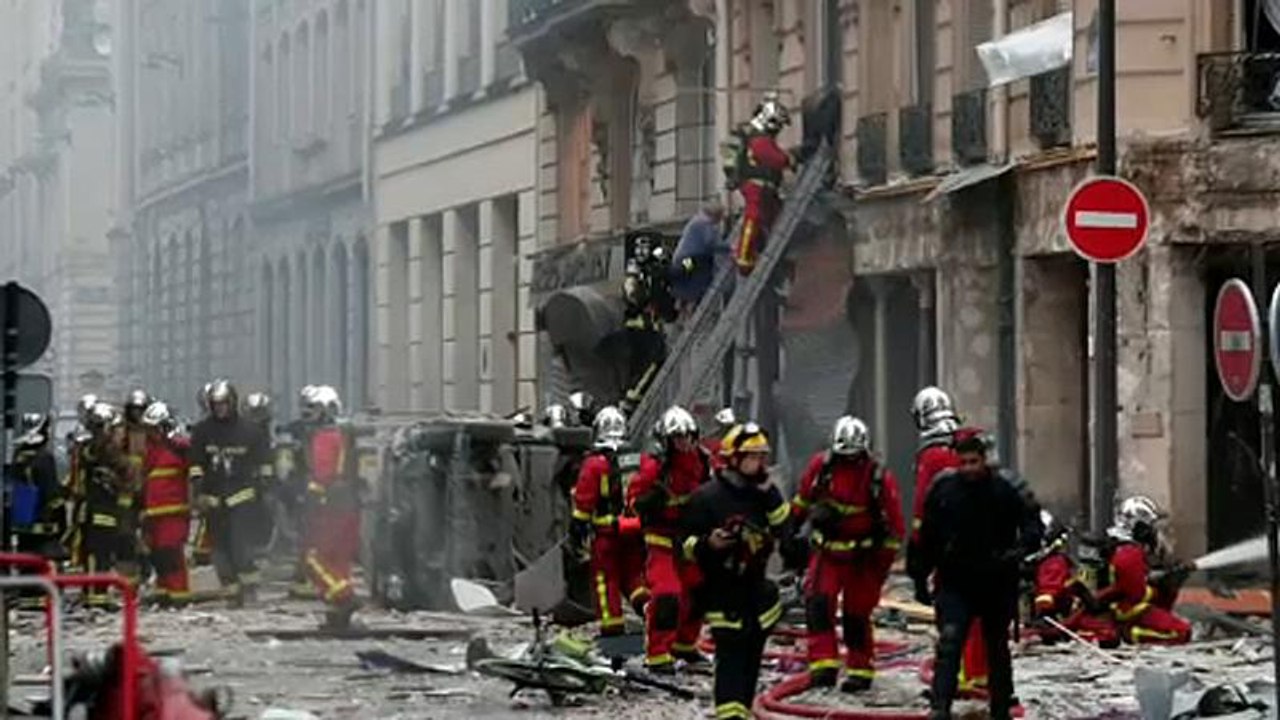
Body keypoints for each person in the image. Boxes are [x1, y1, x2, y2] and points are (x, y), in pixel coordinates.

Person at [909, 427, 1042, 720]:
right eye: (963, 462)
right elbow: (925, 536)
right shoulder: (943, 490)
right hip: (956, 581)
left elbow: (1033, 526)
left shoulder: (1007, 489)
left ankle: (1001, 705)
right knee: (950, 641)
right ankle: (940, 706)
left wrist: (1018, 553)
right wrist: (919, 574)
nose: (969, 468)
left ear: (984, 461)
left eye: (974, 462)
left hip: (996, 581)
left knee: (996, 647)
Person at [681, 422, 791, 720]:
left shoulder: (764, 493)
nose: (759, 463)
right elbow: (684, 545)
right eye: (752, 457)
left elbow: (786, 532)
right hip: (720, 589)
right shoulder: (706, 498)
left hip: (755, 588)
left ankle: (740, 711)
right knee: (731, 654)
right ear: (733, 458)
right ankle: (729, 713)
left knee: (752, 653)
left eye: (761, 457)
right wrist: (709, 544)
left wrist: (771, 499)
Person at [792, 416, 904, 692]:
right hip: (828, 552)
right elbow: (801, 501)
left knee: (856, 614)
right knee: (818, 605)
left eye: (854, 456)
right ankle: (823, 665)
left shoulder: (877, 476)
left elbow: (895, 526)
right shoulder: (822, 468)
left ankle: (859, 668)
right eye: (844, 456)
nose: (848, 461)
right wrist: (791, 535)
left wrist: (881, 565)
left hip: (862, 557)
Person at [906, 386, 988, 693]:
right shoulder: (971, 444)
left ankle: (960, 680)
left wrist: (918, 557)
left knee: (953, 615)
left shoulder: (932, 455)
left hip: (951, 549)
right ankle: (979, 674)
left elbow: (923, 510)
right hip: (986, 543)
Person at [628, 405, 712, 673]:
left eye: (688, 436)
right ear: (667, 441)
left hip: (689, 539)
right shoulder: (655, 467)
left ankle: (685, 645)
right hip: (661, 540)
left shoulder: (703, 462)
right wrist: (646, 502)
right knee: (667, 594)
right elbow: (633, 499)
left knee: (699, 591)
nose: (684, 443)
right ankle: (658, 654)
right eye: (678, 438)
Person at [189, 380, 271, 608]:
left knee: (241, 546)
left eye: (224, 404)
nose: (220, 409)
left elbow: (265, 464)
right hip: (213, 499)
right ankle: (231, 591)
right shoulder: (203, 431)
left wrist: (263, 489)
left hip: (242, 498)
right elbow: (196, 464)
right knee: (219, 550)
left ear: (232, 403)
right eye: (216, 405)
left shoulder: (250, 431)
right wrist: (198, 491)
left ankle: (251, 589)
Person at [570, 406, 647, 637]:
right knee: (634, 577)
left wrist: (578, 526)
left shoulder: (595, 463)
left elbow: (585, 499)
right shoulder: (636, 458)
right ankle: (649, 610)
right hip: (634, 532)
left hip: (606, 534)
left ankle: (614, 640)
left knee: (606, 583)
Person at [299, 386, 363, 629]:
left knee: (313, 559)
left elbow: (322, 474)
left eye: (313, 410)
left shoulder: (325, 437)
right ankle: (340, 617)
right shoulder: (346, 435)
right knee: (339, 561)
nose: (309, 416)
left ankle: (344, 599)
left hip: (330, 507)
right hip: (350, 505)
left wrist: (310, 498)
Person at [1095, 496, 1193, 645]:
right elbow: (1135, 596)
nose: (1154, 533)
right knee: (1181, 632)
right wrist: (1162, 585)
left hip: (1123, 611)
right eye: (1151, 527)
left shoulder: (1124, 548)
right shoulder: (1129, 553)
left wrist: (1171, 583)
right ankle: (1133, 635)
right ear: (1140, 528)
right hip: (1126, 613)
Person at [1029, 510, 1118, 647]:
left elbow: (1050, 592)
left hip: (1063, 618)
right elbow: (1047, 594)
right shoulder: (1050, 563)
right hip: (1060, 619)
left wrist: (1044, 614)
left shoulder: (1053, 562)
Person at [76, 403, 133, 607]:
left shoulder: (86, 448)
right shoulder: (107, 450)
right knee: (99, 554)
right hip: (103, 509)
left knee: (93, 553)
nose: (120, 434)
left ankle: (93, 593)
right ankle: (96, 596)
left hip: (92, 509)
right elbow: (128, 476)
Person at [731, 93, 793, 276]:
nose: (780, 129)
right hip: (756, 187)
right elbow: (773, 157)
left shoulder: (760, 138)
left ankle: (768, 250)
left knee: (774, 217)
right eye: (779, 124)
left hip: (766, 189)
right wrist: (789, 159)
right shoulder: (759, 140)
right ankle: (743, 256)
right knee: (754, 216)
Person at [139, 402, 192, 607]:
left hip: (173, 512)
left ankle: (179, 597)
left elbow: (193, 474)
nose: (150, 433)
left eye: (154, 428)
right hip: (153, 513)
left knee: (171, 554)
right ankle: (163, 595)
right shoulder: (150, 450)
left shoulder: (179, 448)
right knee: (157, 555)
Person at [621, 235, 678, 414]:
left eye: (645, 247)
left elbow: (677, 273)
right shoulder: (637, 274)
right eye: (639, 248)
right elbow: (635, 297)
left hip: (644, 327)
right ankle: (633, 398)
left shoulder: (650, 271)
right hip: (641, 327)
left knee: (650, 363)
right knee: (654, 361)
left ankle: (635, 398)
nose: (641, 252)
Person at [10, 414, 66, 559]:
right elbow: (53, 496)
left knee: (25, 570)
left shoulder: (19, 456)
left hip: (22, 529)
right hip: (44, 534)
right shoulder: (45, 458)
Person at [670, 202, 728, 308]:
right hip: (693, 259)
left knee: (687, 277)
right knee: (699, 278)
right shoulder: (706, 223)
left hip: (681, 259)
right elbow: (710, 243)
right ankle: (691, 303)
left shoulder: (695, 221)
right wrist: (730, 248)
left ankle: (682, 304)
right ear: (717, 215)